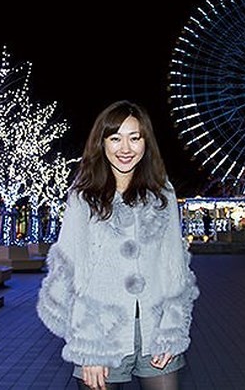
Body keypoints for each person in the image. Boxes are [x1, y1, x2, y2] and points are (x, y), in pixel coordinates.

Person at [37, 100, 199, 390]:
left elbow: (175, 268)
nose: (126, 148)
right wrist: (87, 346)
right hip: (100, 334)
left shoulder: (162, 194)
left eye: (134, 138)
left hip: (156, 331)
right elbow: (68, 272)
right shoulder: (84, 197)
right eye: (115, 138)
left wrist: (173, 329)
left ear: (146, 142)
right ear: (102, 143)